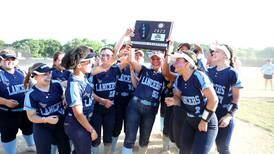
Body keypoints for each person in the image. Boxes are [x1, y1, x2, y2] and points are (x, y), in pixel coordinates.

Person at [165, 50, 218, 154]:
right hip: (189, 120)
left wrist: (204, 120)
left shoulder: (198, 76)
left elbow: (213, 100)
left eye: (178, 61)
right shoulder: (179, 79)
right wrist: (174, 101)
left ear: (187, 63)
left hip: (206, 121)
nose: (174, 63)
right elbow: (177, 97)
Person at [122, 49, 169, 154]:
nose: (155, 61)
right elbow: (131, 60)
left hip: (151, 109)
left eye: (158, 59)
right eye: (153, 59)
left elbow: (167, 71)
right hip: (135, 105)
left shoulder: (165, 76)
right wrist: (132, 46)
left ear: (163, 60)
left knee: (144, 139)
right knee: (129, 138)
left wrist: (168, 50)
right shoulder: (144, 70)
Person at [24, 63, 71, 154]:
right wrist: (46, 119)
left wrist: (65, 98)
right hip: (42, 127)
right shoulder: (31, 94)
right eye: (44, 74)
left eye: (49, 73)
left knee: (65, 150)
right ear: (35, 76)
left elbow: (62, 97)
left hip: (60, 124)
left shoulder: (57, 84)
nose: (48, 76)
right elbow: (31, 117)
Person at [61, 46, 98, 154]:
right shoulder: (75, 84)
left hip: (82, 122)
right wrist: (91, 130)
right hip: (76, 123)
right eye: (89, 61)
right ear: (79, 65)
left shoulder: (83, 77)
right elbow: (78, 113)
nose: (92, 63)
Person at [208, 44, 243, 154]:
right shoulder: (209, 71)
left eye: (217, 51)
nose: (213, 53)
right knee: (203, 146)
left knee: (222, 148)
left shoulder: (232, 73)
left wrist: (228, 116)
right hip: (209, 115)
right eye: (214, 51)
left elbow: (236, 99)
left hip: (224, 115)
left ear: (225, 56)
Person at [0, 49, 35, 154]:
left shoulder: (21, 72)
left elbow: (32, 87)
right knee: (9, 134)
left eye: (12, 59)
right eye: (6, 59)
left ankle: (31, 146)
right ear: (1, 60)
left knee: (28, 128)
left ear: (16, 60)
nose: (9, 61)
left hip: (24, 110)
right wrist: (5, 101)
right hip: (6, 112)